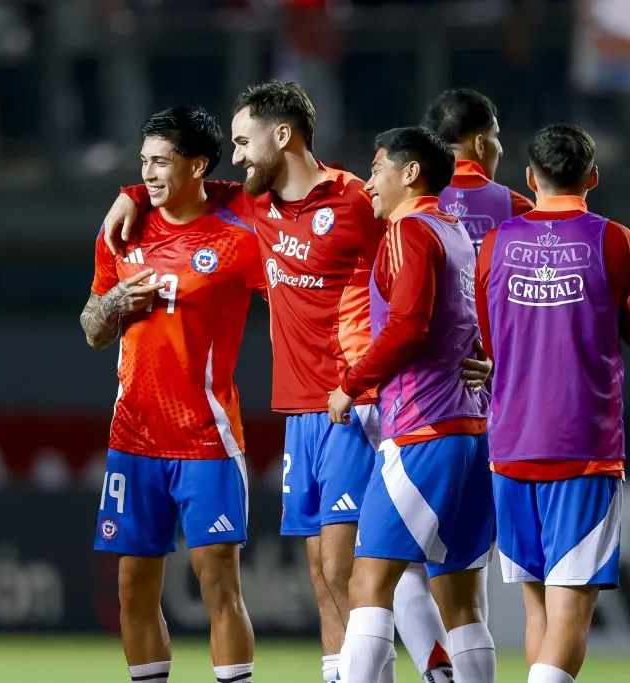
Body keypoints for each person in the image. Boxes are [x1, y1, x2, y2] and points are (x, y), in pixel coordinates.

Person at [99, 81, 490, 683]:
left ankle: (430, 673)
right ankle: (370, 672)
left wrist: (474, 348)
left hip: (353, 405)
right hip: (300, 411)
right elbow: (183, 186)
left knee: (350, 567)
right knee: (324, 570)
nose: (237, 157)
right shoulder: (251, 205)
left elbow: (434, 261)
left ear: (282, 136)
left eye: (244, 142)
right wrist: (132, 193)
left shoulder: (359, 200)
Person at [82, 106, 264, 683]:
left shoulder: (241, 231)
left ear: (199, 165)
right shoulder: (123, 229)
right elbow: (91, 326)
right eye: (144, 163)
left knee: (218, 583)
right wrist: (115, 305)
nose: (149, 174)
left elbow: (277, 190)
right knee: (133, 585)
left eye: (161, 162)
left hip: (206, 436)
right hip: (133, 438)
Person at [329, 126, 495, 683]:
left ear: (410, 173)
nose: (369, 182)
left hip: (422, 429)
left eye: (376, 169)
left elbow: (407, 327)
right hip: (471, 430)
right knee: (463, 599)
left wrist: (351, 383)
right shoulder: (456, 234)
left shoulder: (407, 231)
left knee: (368, 582)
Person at [475, 124, 629, 683]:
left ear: (529, 178)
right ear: (592, 176)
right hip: (582, 446)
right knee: (572, 608)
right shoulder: (614, 241)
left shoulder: (496, 244)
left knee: (538, 607)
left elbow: (491, 343)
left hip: (512, 443)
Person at [422, 88, 535, 253]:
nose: (501, 150)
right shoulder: (520, 210)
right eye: (495, 137)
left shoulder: (406, 202)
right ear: (480, 145)